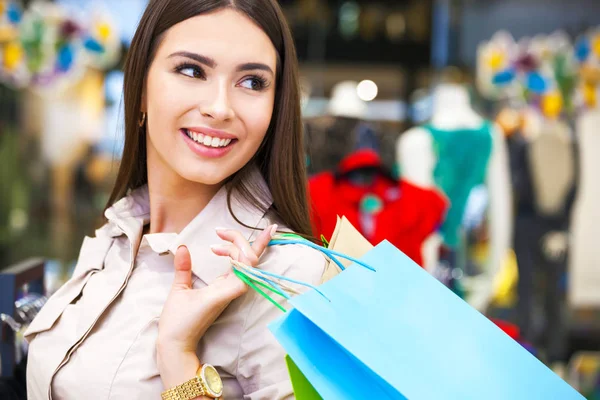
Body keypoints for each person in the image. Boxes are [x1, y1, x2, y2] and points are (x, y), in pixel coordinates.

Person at [24, 0, 325, 398]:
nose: (219, 108)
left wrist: (179, 358)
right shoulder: (121, 231)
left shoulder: (286, 275)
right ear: (141, 88)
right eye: (192, 70)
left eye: (252, 81)